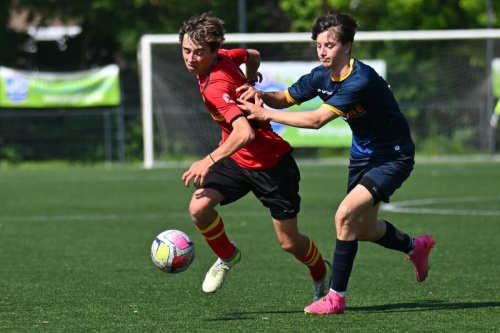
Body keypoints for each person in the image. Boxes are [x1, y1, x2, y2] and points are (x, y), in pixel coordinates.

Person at [237, 12, 435, 315]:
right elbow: (285, 98)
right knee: (365, 229)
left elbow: (317, 120)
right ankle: (415, 246)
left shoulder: (361, 79)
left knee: (344, 216)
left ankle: (335, 298)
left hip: (392, 156)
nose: (322, 51)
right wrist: (260, 96)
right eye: (319, 45)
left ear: (348, 45)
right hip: (362, 156)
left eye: (329, 45)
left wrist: (265, 115)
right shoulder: (321, 75)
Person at [178, 12, 331, 302]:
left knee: (289, 243)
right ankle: (227, 256)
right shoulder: (224, 55)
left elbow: (245, 133)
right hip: (237, 160)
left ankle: (321, 270)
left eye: (199, 53)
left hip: (271, 164)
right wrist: (250, 78)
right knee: (199, 209)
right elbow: (253, 54)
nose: (191, 58)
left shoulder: (215, 86)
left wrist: (207, 160)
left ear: (213, 51)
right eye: (186, 50)